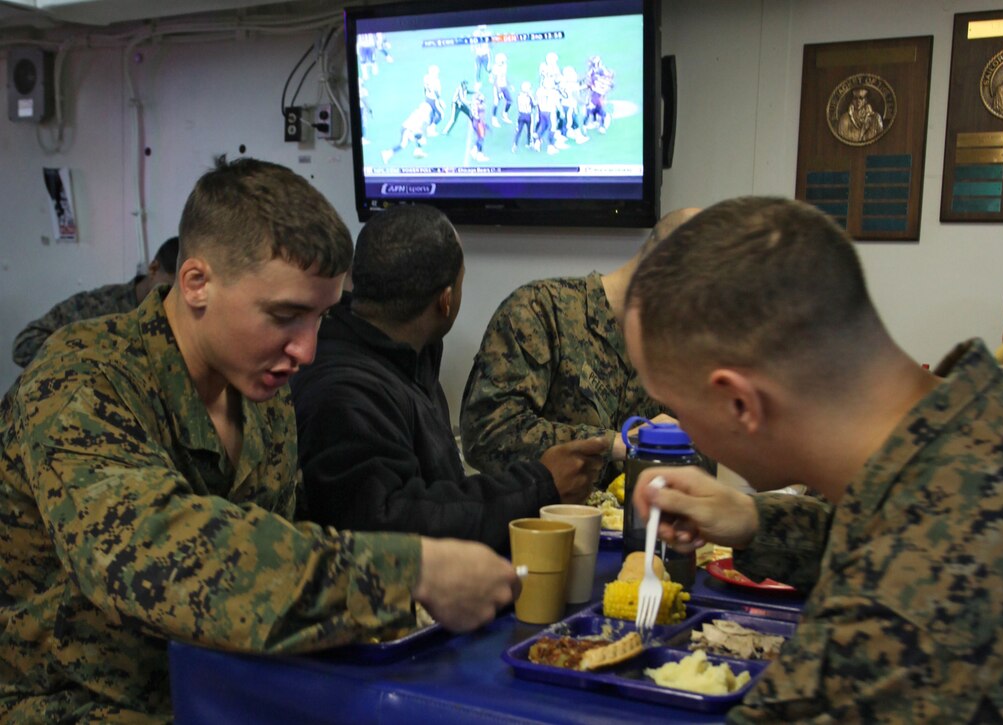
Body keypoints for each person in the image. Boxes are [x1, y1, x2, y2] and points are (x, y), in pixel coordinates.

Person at [0, 159, 522, 720]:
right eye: (285, 316)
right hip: (80, 706)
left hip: (229, 687)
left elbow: (278, 540)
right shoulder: (82, 380)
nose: (308, 351)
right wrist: (413, 572)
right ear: (196, 283)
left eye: (321, 317)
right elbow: (162, 554)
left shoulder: (263, 396)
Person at [626, 197, 1003, 722]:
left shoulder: (875, 644)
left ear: (739, 403)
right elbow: (916, 524)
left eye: (674, 405)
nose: (679, 424)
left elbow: (918, 568)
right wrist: (757, 522)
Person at [291, 204, 606, 553]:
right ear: (446, 300)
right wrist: (538, 486)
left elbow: (433, 494)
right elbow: (388, 524)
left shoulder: (407, 356)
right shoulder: (344, 393)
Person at [459, 208, 700, 483]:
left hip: (633, 521)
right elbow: (487, 435)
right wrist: (618, 443)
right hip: (539, 521)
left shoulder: (672, 353)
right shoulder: (541, 310)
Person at [12, 236, 178, 367]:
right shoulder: (100, 305)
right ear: (153, 269)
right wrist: (92, 356)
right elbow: (24, 346)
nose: (172, 301)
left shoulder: (179, 318)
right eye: (170, 289)